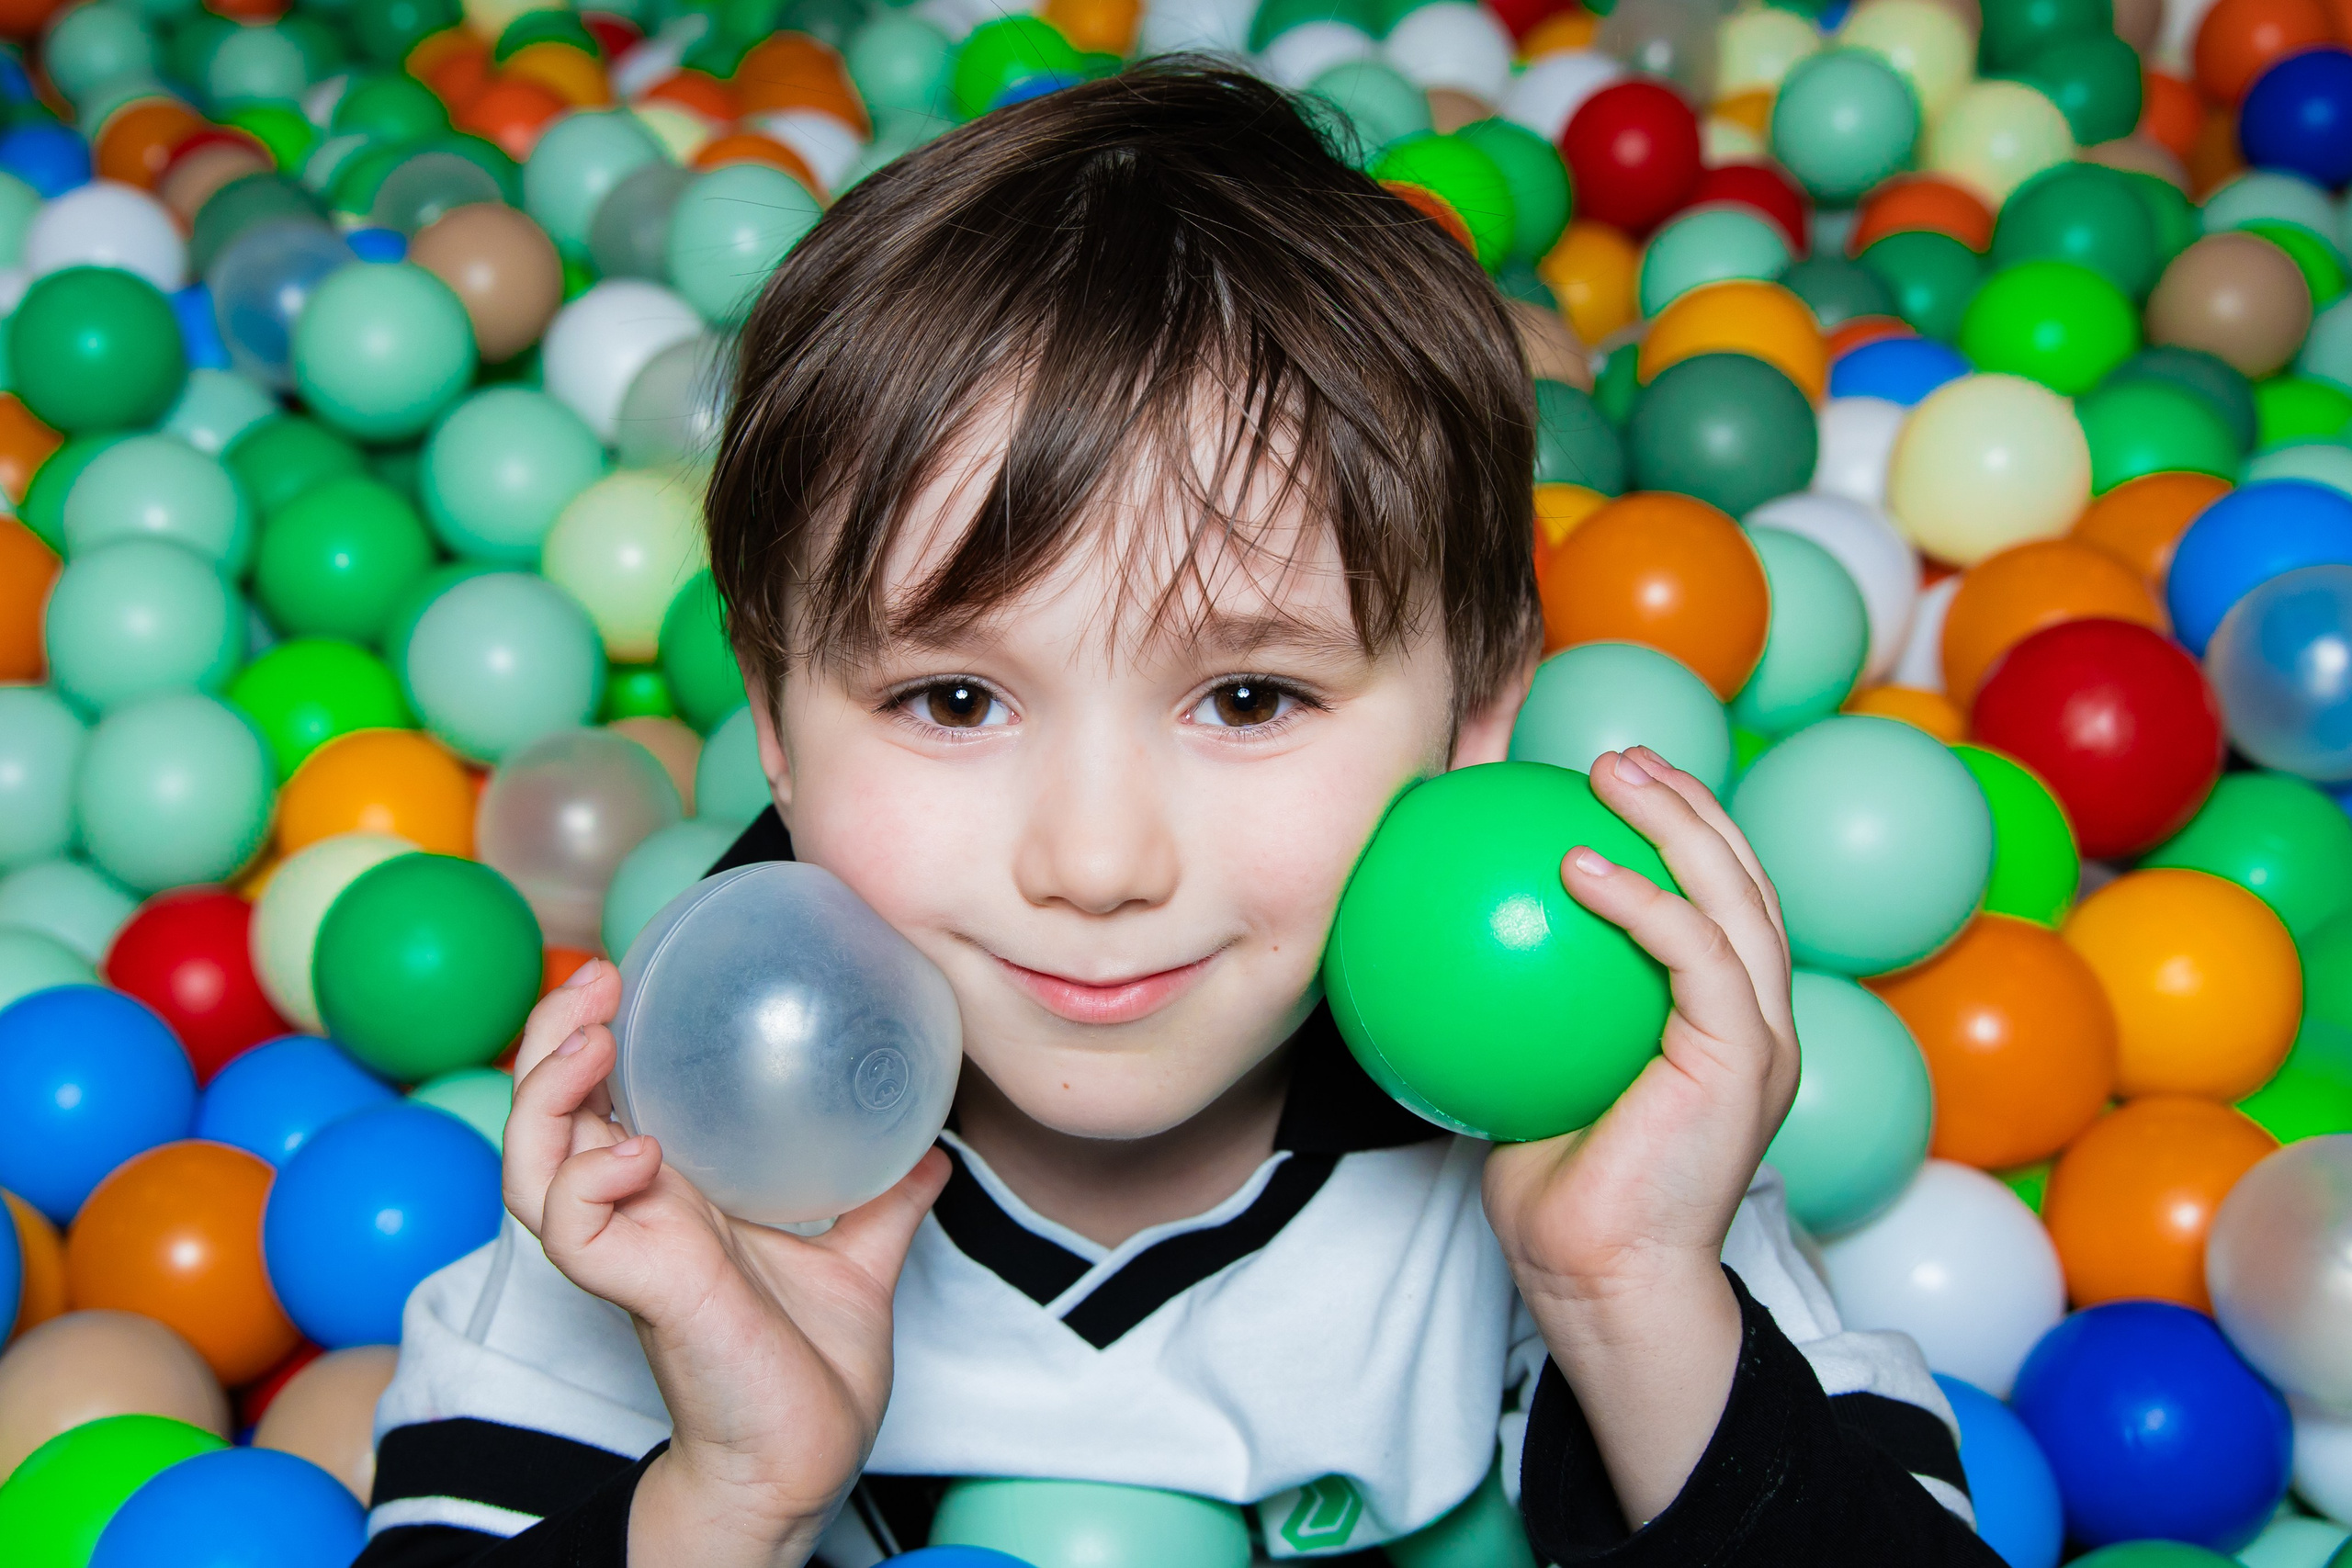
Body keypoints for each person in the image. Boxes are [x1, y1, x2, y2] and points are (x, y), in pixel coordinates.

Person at [355, 64, 1999, 1568]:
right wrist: (726, 1495)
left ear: (1477, 705)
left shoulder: (1593, 1138)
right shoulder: (672, 1162)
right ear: (772, 713)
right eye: (953, 699)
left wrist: (1629, 1300)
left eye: (1249, 699)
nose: (1096, 864)